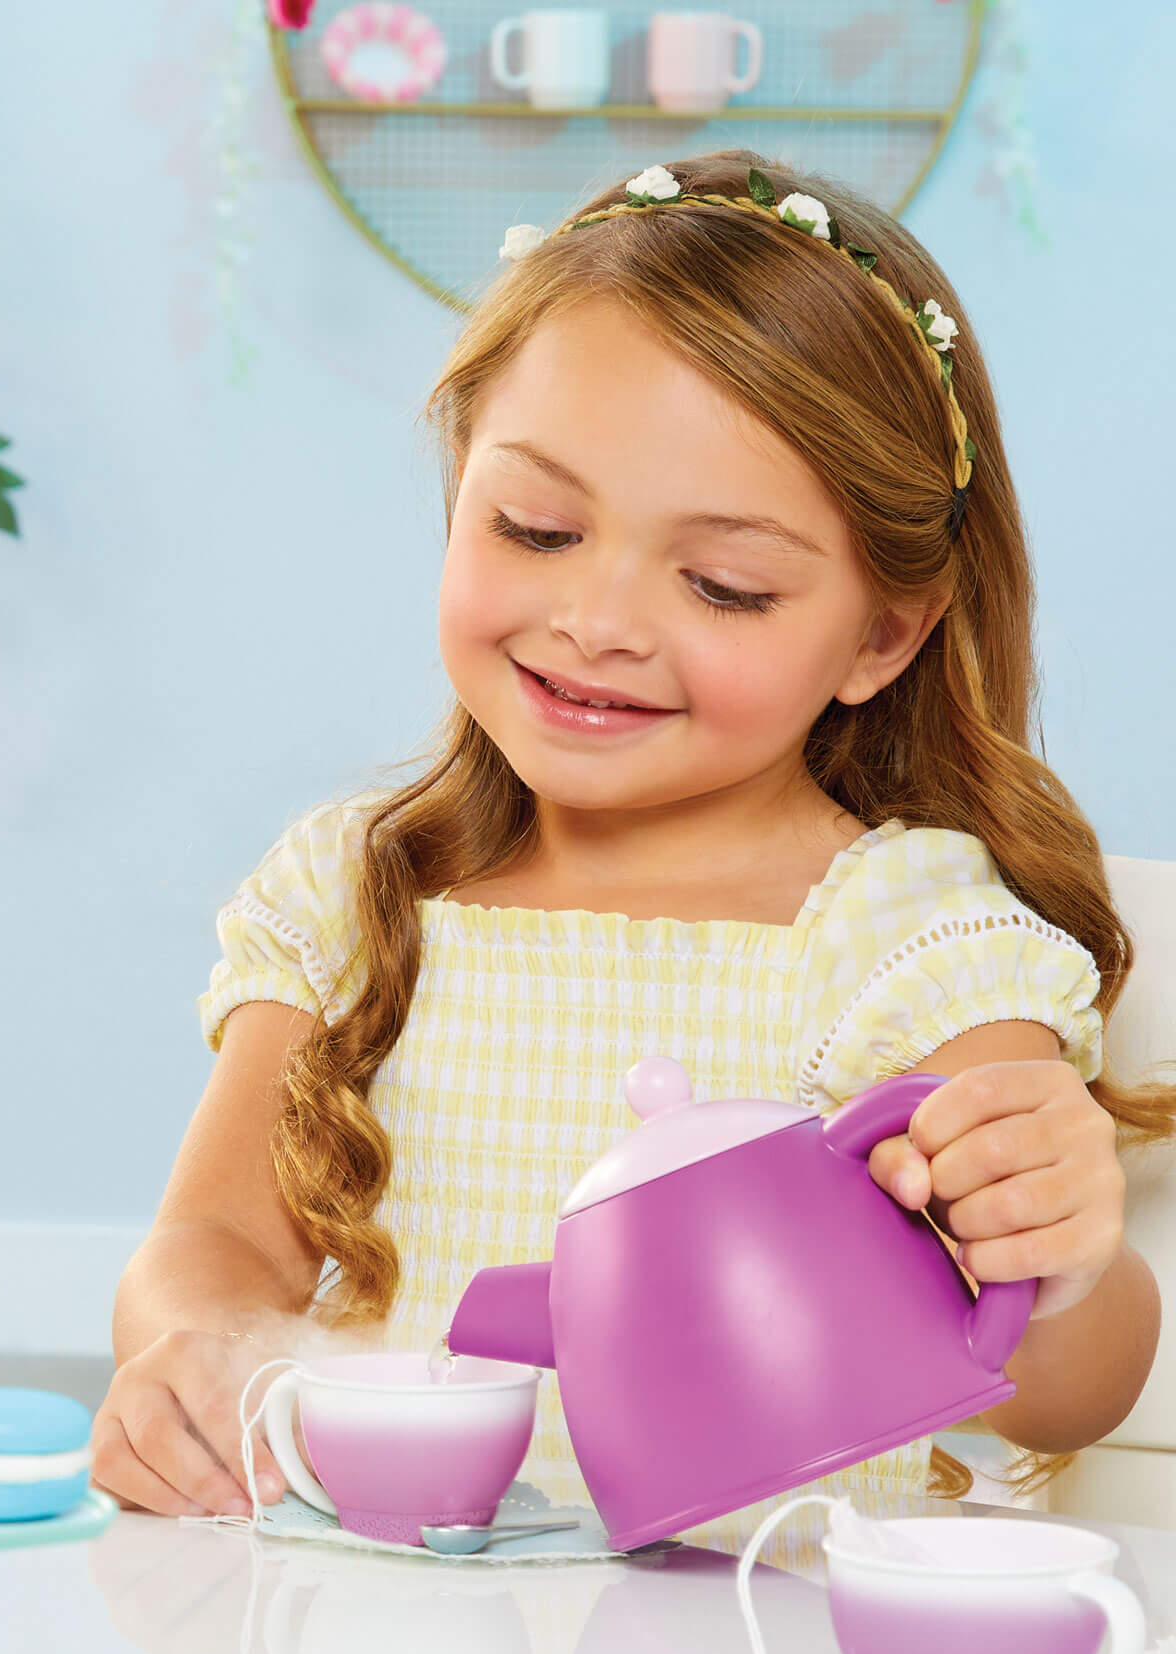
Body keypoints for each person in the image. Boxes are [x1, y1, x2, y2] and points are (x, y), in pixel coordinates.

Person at [97, 152, 1170, 1527]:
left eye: (723, 585)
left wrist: (1063, 1260)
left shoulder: (904, 937)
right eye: (535, 528)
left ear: (884, 632)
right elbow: (213, 1243)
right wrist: (198, 1344)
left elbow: (1066, 1391)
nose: (599, 619)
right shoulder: (362, 895)